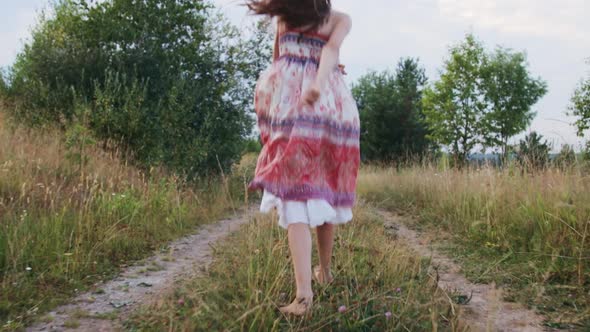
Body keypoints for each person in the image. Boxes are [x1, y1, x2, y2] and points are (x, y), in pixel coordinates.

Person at [246, 0, 360, 316]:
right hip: (332, 111)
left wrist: (317, 83)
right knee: (321, 187)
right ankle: (323, 272)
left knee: (294, 195)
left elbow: (278, 64)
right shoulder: (339, 19)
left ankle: (304, 298)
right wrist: (323, 78)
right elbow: (328, 52)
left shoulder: (285, 18)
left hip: (295, 108)